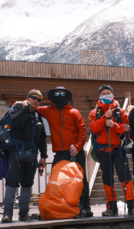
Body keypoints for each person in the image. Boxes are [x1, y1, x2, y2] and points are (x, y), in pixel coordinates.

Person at [37, 87, 92, 217]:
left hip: (75, 152)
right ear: (52, 96)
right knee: (55, 180)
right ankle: (56, 206)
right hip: (59, 153)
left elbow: (82, 132)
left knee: (81, 179)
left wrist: (78, 147)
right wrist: (22, 104)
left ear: (67, 97)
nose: (60, 96)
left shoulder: (75, 112)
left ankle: (85, 207)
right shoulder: (48, 111)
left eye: (62, 94)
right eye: (57, 94)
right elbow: (33, 107)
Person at [88, 85, 134, 216]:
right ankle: (111, 208)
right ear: (99, 96)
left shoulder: (121, 112)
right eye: (103, 94)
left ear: (113, 95)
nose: (106, 95)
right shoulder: (94, 113)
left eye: (108, 93)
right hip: (103, 150)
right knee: (107, 178)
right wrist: (104, 118)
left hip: (118, 149)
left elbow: (126, 128)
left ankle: (132, 206)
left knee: (125, 177)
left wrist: (114, 125)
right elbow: (94, 128)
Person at [2, 90, 47, 222]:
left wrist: (43, 156)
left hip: (32, 153)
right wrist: (25, 108)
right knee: (12, 182)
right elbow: (15, 122)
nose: (36, 101)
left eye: (39, 99)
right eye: (33, 98)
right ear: (27, 98)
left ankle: (24, 213)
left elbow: (42, 138)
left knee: (27, 183)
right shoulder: (17, 110)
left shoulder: (38, 117)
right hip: (16, 152)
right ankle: (7, 214)